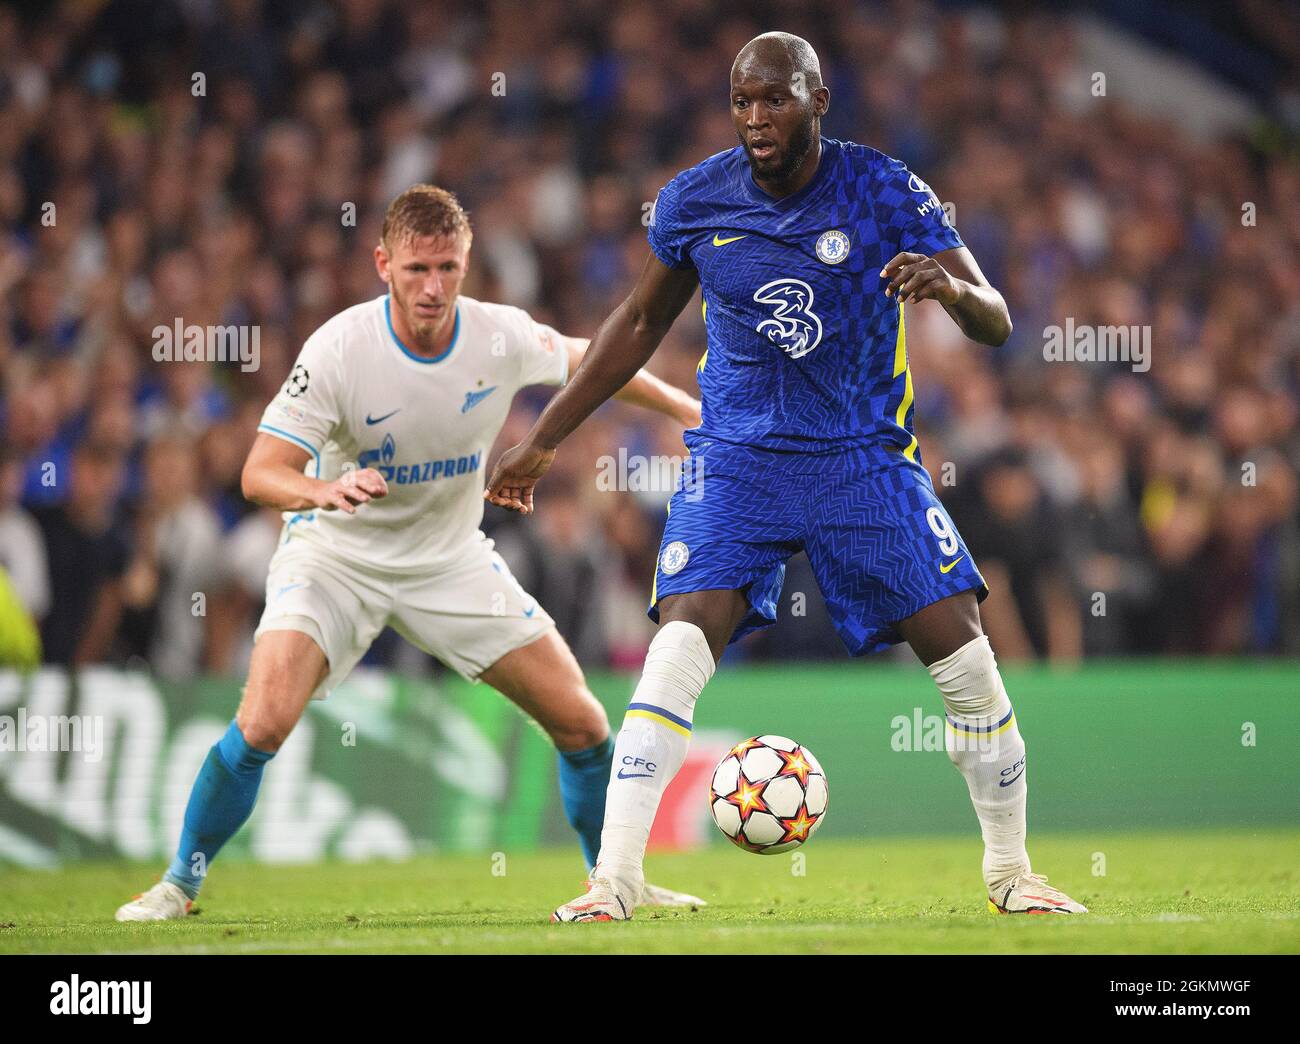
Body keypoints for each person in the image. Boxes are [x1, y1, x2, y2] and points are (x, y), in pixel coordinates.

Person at [486, 33, 1088, 920]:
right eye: (742, 101)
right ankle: (614, 879)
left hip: (861, 459)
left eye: (775, 100)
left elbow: (995, 318)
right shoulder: (695, 199)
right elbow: (637, 322)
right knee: (682, 634)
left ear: (817, 100)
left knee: (962, 652)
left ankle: (1011, 873)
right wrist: (545, 437)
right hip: (738, 456)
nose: (756, 119)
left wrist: (953, 292)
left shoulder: (884, 188)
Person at [116, 184, 703, 920]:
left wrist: (682, 405)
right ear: (382, 264)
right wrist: (318, 492)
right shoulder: (339, 350)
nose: (433, 287)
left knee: (584, 724)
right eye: (417, 269)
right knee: (263, 722)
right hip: (335, 558)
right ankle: (178, 883)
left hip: (449, 561)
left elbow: (592, 358)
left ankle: (613, 883)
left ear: (467, 266)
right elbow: (258, 472)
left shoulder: (498, 336)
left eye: (449, 269)